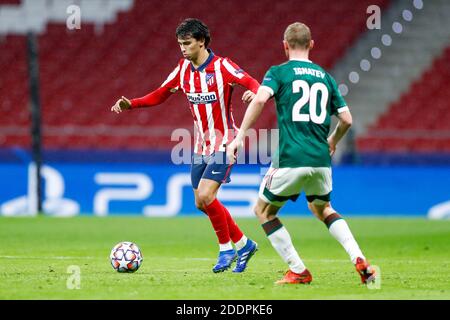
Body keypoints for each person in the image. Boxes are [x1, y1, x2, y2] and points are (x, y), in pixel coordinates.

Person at [226, 22, 376, 284]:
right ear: (312, 45)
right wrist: (333, 141)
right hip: (320, 160)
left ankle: (298, 270)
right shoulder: (325, 77)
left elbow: (261, 98)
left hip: (291, 158)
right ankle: (360, 259)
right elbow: (347, 120)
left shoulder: (279, 72)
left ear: (285, 46)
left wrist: (239, 137)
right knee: (323, 209)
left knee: (264, 211)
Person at [111, 18, 259, 273]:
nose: (182, 48)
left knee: (205, 195)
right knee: (201, 203)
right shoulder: (182, 70)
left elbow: (253, 83)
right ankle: (244, 245)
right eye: (180, 43)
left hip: (226, 142)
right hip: (201, 146)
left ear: (201, 42)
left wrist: (255, 93)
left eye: (187, 43)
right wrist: (131, 104)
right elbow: (160, 93)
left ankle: (226, 249)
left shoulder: (223, 66)